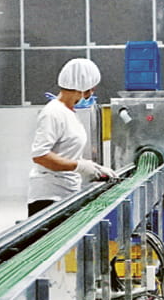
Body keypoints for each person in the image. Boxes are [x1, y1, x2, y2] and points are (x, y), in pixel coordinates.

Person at [27, 58, 117, 218]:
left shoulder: (69, 113)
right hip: (49, 198)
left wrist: (93, 167)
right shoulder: (53, 113)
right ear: (83, 88)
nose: (91, 94)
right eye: (91, 89)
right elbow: (40, 156)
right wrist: (80, 166)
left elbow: (67, 153)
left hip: (67, 193)